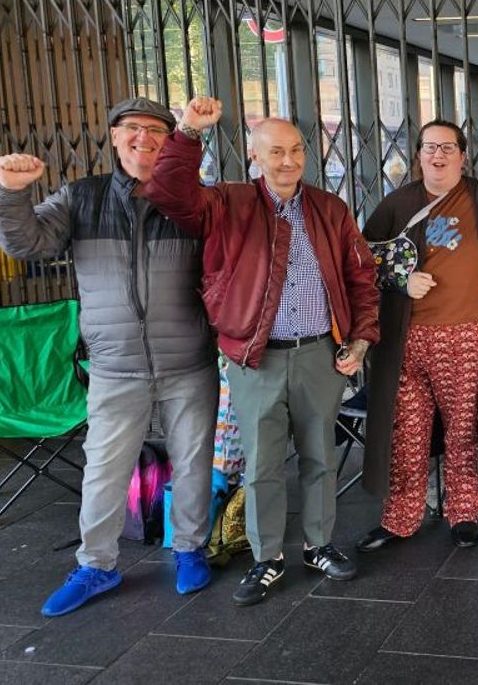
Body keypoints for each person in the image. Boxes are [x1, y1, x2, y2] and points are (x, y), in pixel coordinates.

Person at [143, 98, 379, 606]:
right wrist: (188, 132)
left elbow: (361, 276)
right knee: (263, 464)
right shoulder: (228, 203)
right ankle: (267, 557)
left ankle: (318, 545)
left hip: (321, 356)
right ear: (255, 156)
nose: (288, 160)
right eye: (276, 151)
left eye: (296, 150)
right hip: (256, 358)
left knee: (321, 458)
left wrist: (360, 339)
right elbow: (167, 192)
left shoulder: (330, 209)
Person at [0, 97, 218, 616]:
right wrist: (10, 192)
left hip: (189, 361)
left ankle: (189, 549)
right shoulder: (82, 197)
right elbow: (27, 243)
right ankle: (96, 565)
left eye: (157, 131)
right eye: (132, 128)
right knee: (104, 470)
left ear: (171, 141)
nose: (143, 138)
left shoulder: (189, 200)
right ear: (114, 137)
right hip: (115, 366)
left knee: (193, 461)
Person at [354, 120, 478, 551]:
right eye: (429, 147)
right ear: (418, 155)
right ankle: (400, 518)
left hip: (466, 337)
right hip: (405, 342)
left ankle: (463, 512)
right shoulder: (397, 204)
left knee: (465, 431)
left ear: (463, 156)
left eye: (447, 148)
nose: (437, 155)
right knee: (406, 434)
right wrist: (400, 281)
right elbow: (363, 260)